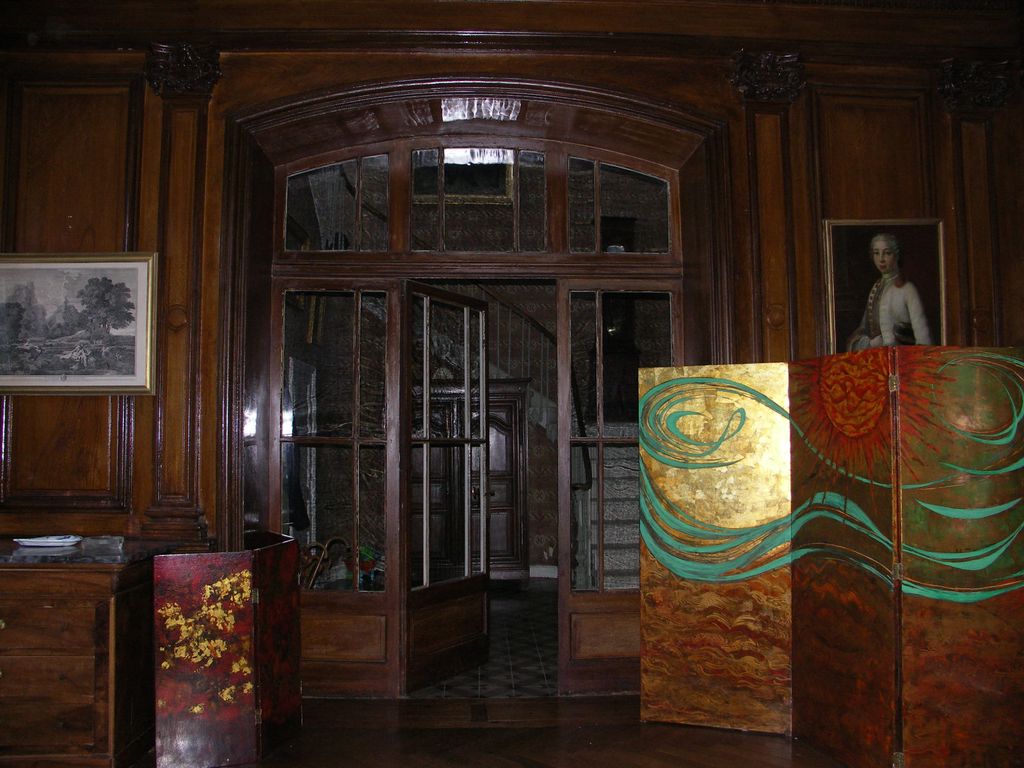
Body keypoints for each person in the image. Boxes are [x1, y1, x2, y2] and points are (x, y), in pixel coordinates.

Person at [846, 232, 932, 352]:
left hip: (904, 358)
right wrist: (870, 343)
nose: (881, 259)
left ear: (896, 255)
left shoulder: (908, 289)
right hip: (880, 359)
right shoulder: (876, 288)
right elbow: (863, 329)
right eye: (876, 253)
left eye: (887, 253)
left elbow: (922, 337)